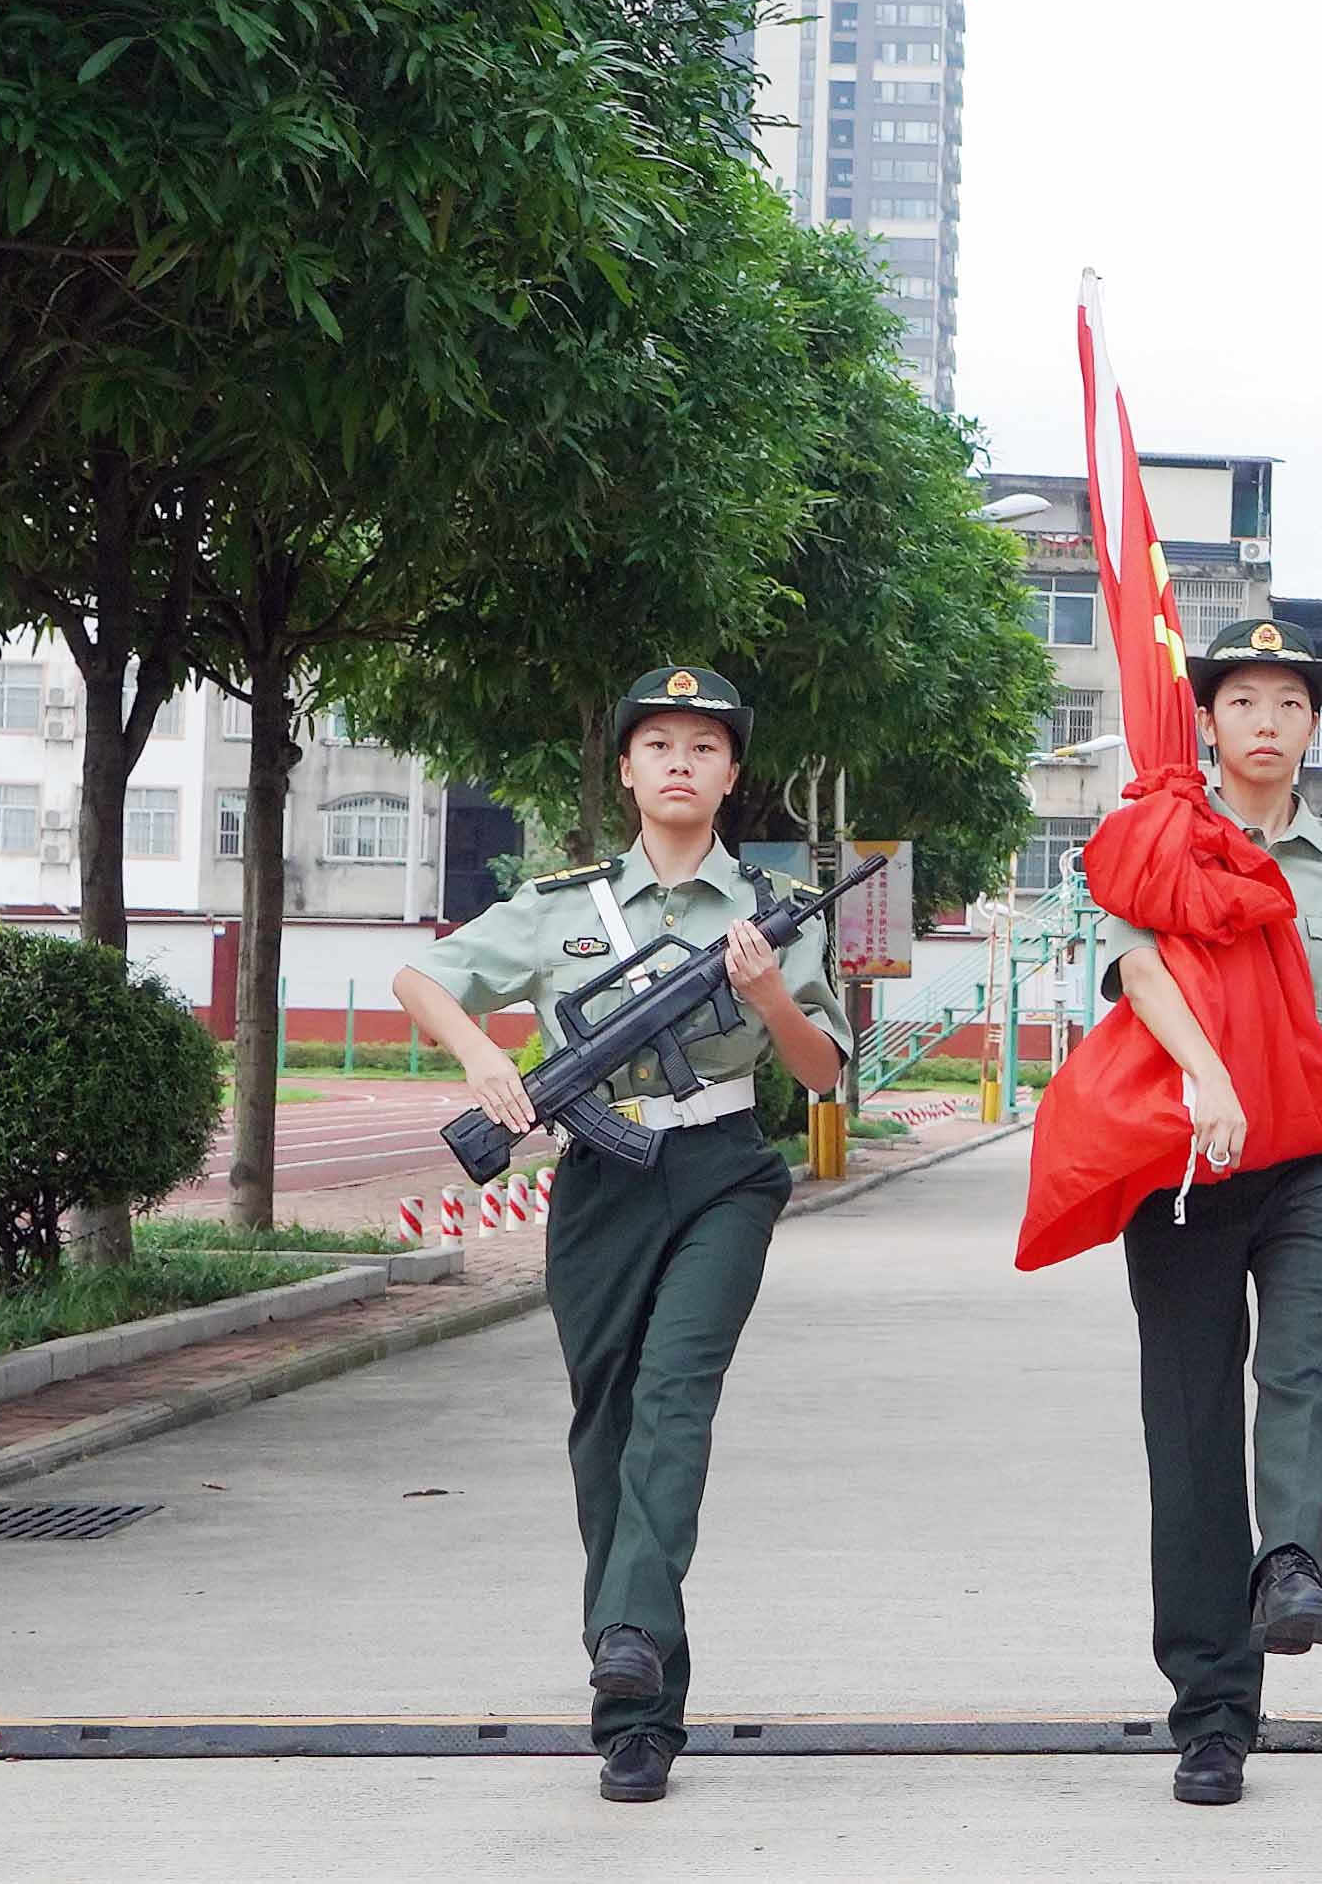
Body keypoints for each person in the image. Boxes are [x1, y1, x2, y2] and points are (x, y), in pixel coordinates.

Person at [393, 666, 850, 1805]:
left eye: (705, 746)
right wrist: (483, 1057)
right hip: (602, 1176)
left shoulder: (773, 906)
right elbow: (421, 975)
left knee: (672, 1397)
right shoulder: (562, 905)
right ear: (629, 769)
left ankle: (630, 1631)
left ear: (732, 775)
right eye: (660, 744)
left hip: (723, 1170)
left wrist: (770, 995)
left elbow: (822, 1073)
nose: (681, 762)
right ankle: (636, 1714)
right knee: (605, 1427)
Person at [1096, 619, 1322, 1808]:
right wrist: (1209, 1076)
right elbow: (1136, 971)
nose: (1266, 721)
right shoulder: (1154, 834)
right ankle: (1212, 1712)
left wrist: (1296, 1106)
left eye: (1289, 703)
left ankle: (1291, 1564)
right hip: (1184, 1160)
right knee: (1190, 1433)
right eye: (1243, 701)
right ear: (1208, 721)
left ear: (1312, 724)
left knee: (1303, 1364)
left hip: (1311, 1155)